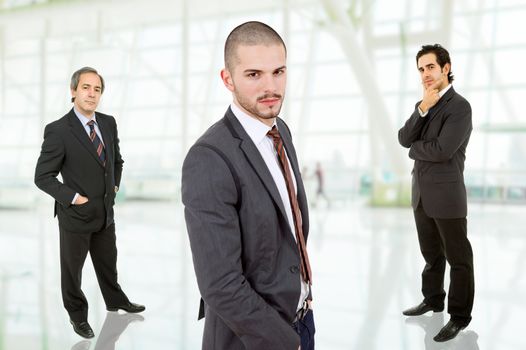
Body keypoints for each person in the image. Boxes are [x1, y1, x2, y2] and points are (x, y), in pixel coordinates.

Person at [181, 21, 315, 350]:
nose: (270, 87)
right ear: (228, 79)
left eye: (278, 72)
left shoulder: (280, 130)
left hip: (301, 320)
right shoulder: (209, 157)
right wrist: (285, 342)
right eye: (254, 75)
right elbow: (220, 284)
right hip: (251, 339)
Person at [34, 67, 145, 339]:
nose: (91, 94)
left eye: (97, 89)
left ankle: (115, 300)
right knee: (72, 271)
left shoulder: (108, 123)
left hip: (105, 212)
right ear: (73, 91)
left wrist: (114, 186)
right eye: (86, 88)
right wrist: (74, 198)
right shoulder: (59, 130)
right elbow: (42, 177)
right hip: (76, 215)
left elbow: (116, 160)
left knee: (108, 262)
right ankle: (77, 315)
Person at [398, 44, 474, 342]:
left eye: (430, 67)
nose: (425, 74)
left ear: (446, 67)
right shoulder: (425, 104)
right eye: (420, 69)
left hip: (447, 195)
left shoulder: (460, 107)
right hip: (422, 193)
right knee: (431, 254)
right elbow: (404, 137)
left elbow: (443, 150)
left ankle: (459, 316)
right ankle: (433, 299)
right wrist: (422, 109)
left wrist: (416, 149)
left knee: (458, 258)